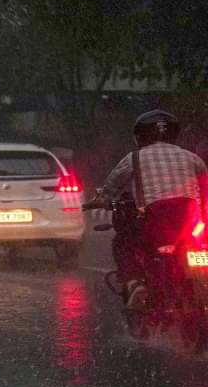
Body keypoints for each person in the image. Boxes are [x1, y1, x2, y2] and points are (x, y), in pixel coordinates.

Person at [86, 109, 208, 310]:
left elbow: (110, 189)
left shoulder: (134, 159)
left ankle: (134, 282)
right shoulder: (192, 158)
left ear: (140, 136)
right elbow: (204, 188)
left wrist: (99, 201)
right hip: (191, 224)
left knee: (123, 241)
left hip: (155, 223)